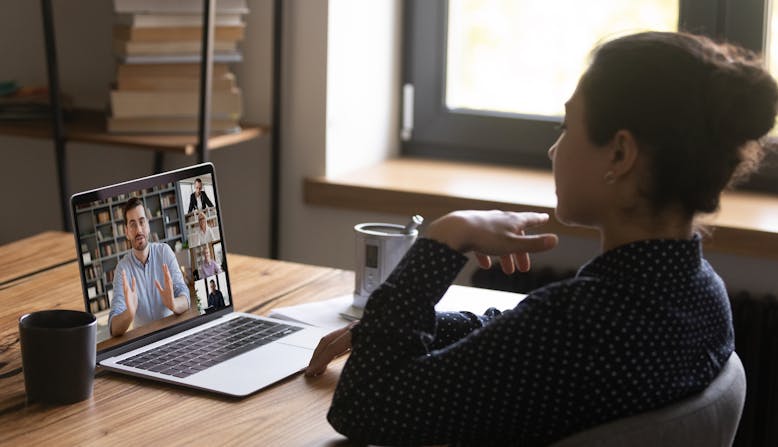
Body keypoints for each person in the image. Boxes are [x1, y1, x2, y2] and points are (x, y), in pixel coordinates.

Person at [305, 32, 778, 446]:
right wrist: (391, 328)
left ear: (620, 153)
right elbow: (514, 343)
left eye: (567, 126)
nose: (553, 148)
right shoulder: (698, 292)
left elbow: (363, 408)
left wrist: (444, 237)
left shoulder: (578, 326)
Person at [110, 197, 191, 337]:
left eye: (142, 222)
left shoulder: (165, 252)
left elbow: (185, 295)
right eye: (133, 224)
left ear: (148, 225)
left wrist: (173, 304)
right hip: (143, 341)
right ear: (127, 232)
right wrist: (129, 314)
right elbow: (113, 328)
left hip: (172, 333)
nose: (139, 229)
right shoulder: (122, 269)